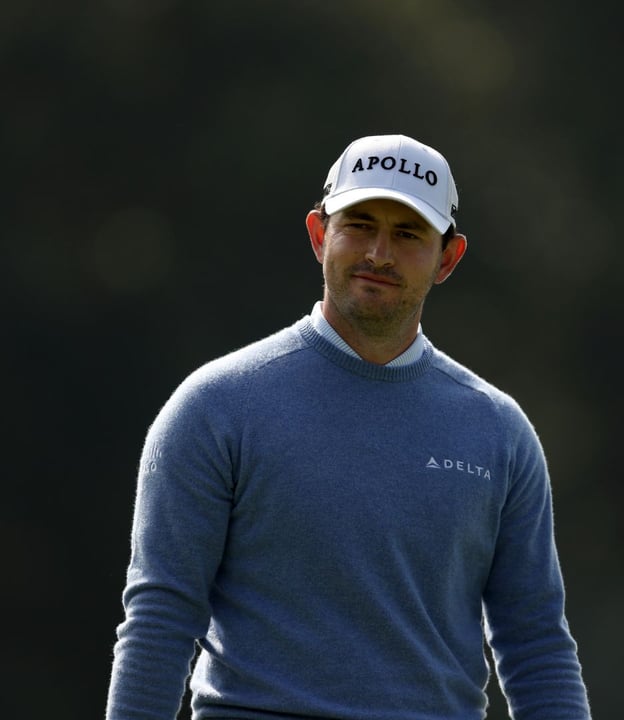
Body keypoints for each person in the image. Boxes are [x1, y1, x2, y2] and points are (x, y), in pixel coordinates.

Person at [106, 134, 592, 719]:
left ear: (448, 258)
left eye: (408, 234)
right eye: (359, 225)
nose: (379, 254)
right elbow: (161, 619)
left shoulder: (499, 431)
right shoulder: (215, 407)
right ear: (319, 236)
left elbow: (535, 642)